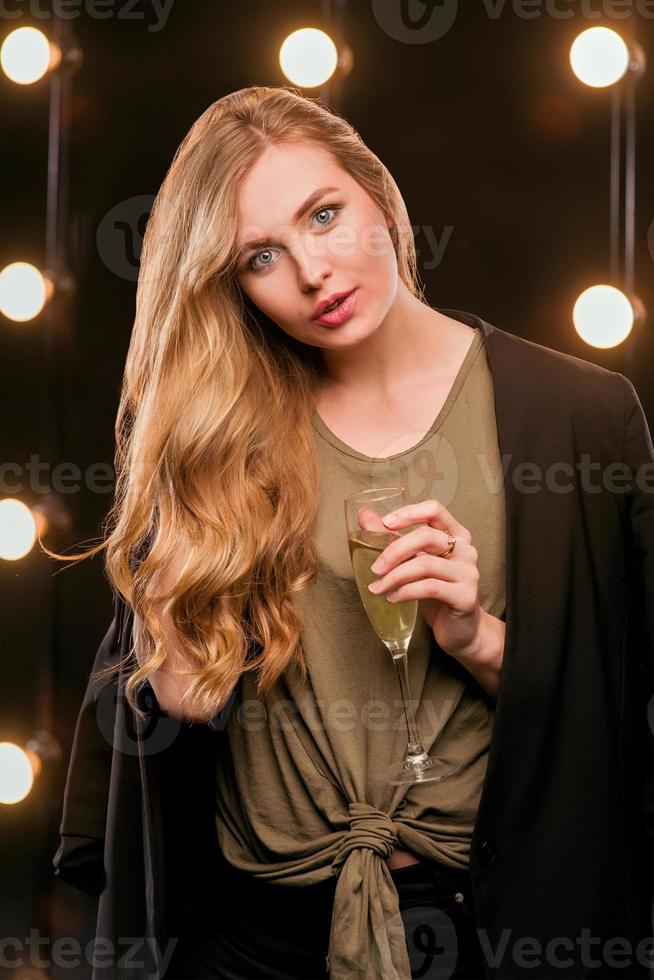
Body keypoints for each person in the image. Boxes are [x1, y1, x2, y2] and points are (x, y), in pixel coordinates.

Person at [51, 85, 654, 980]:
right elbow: (167, 725)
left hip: (497, 933)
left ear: (379, 193)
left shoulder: (582, 418)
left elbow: (623, 711)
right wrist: (176, 664)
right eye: (261, 255)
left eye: (326, 215)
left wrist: (479, 636)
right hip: (255, 943)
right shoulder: (215, 439)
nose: (313, 272)